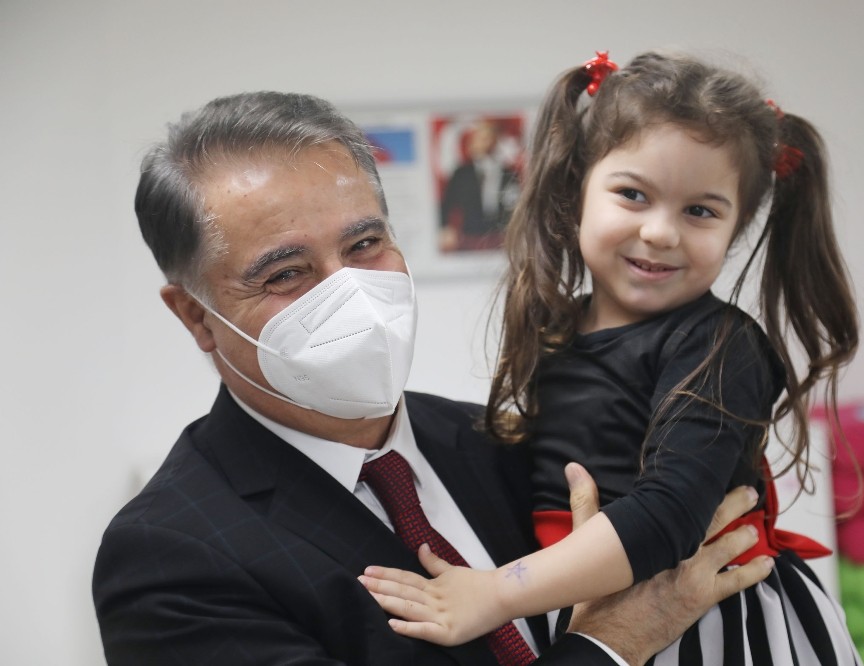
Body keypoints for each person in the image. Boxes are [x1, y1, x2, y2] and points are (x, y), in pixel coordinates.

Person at [91, 90, 773, 666]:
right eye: (286, 274)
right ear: (196, 316)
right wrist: (613, 641)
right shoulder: (169, 560)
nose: (352, 292)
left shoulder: (488, 439)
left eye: (365, 244)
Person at [359, 50, 864, 665]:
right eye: (633, 194)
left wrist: (494, 593)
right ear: (577, 191)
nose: (660, 232)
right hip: (580, 608)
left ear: (736, 228)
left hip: (711, 623)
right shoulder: (557, 328)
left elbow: (668, 515)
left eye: (700, 210)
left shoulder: (720, 344)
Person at [439, 117, 521, 252]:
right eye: (481, 138)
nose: (486, 143)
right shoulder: (461, 174)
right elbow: (446, 204)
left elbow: (517, 204)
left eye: (489, 138)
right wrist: (445, 227)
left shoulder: (509, 174)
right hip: (470, 237)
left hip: (502, 238)